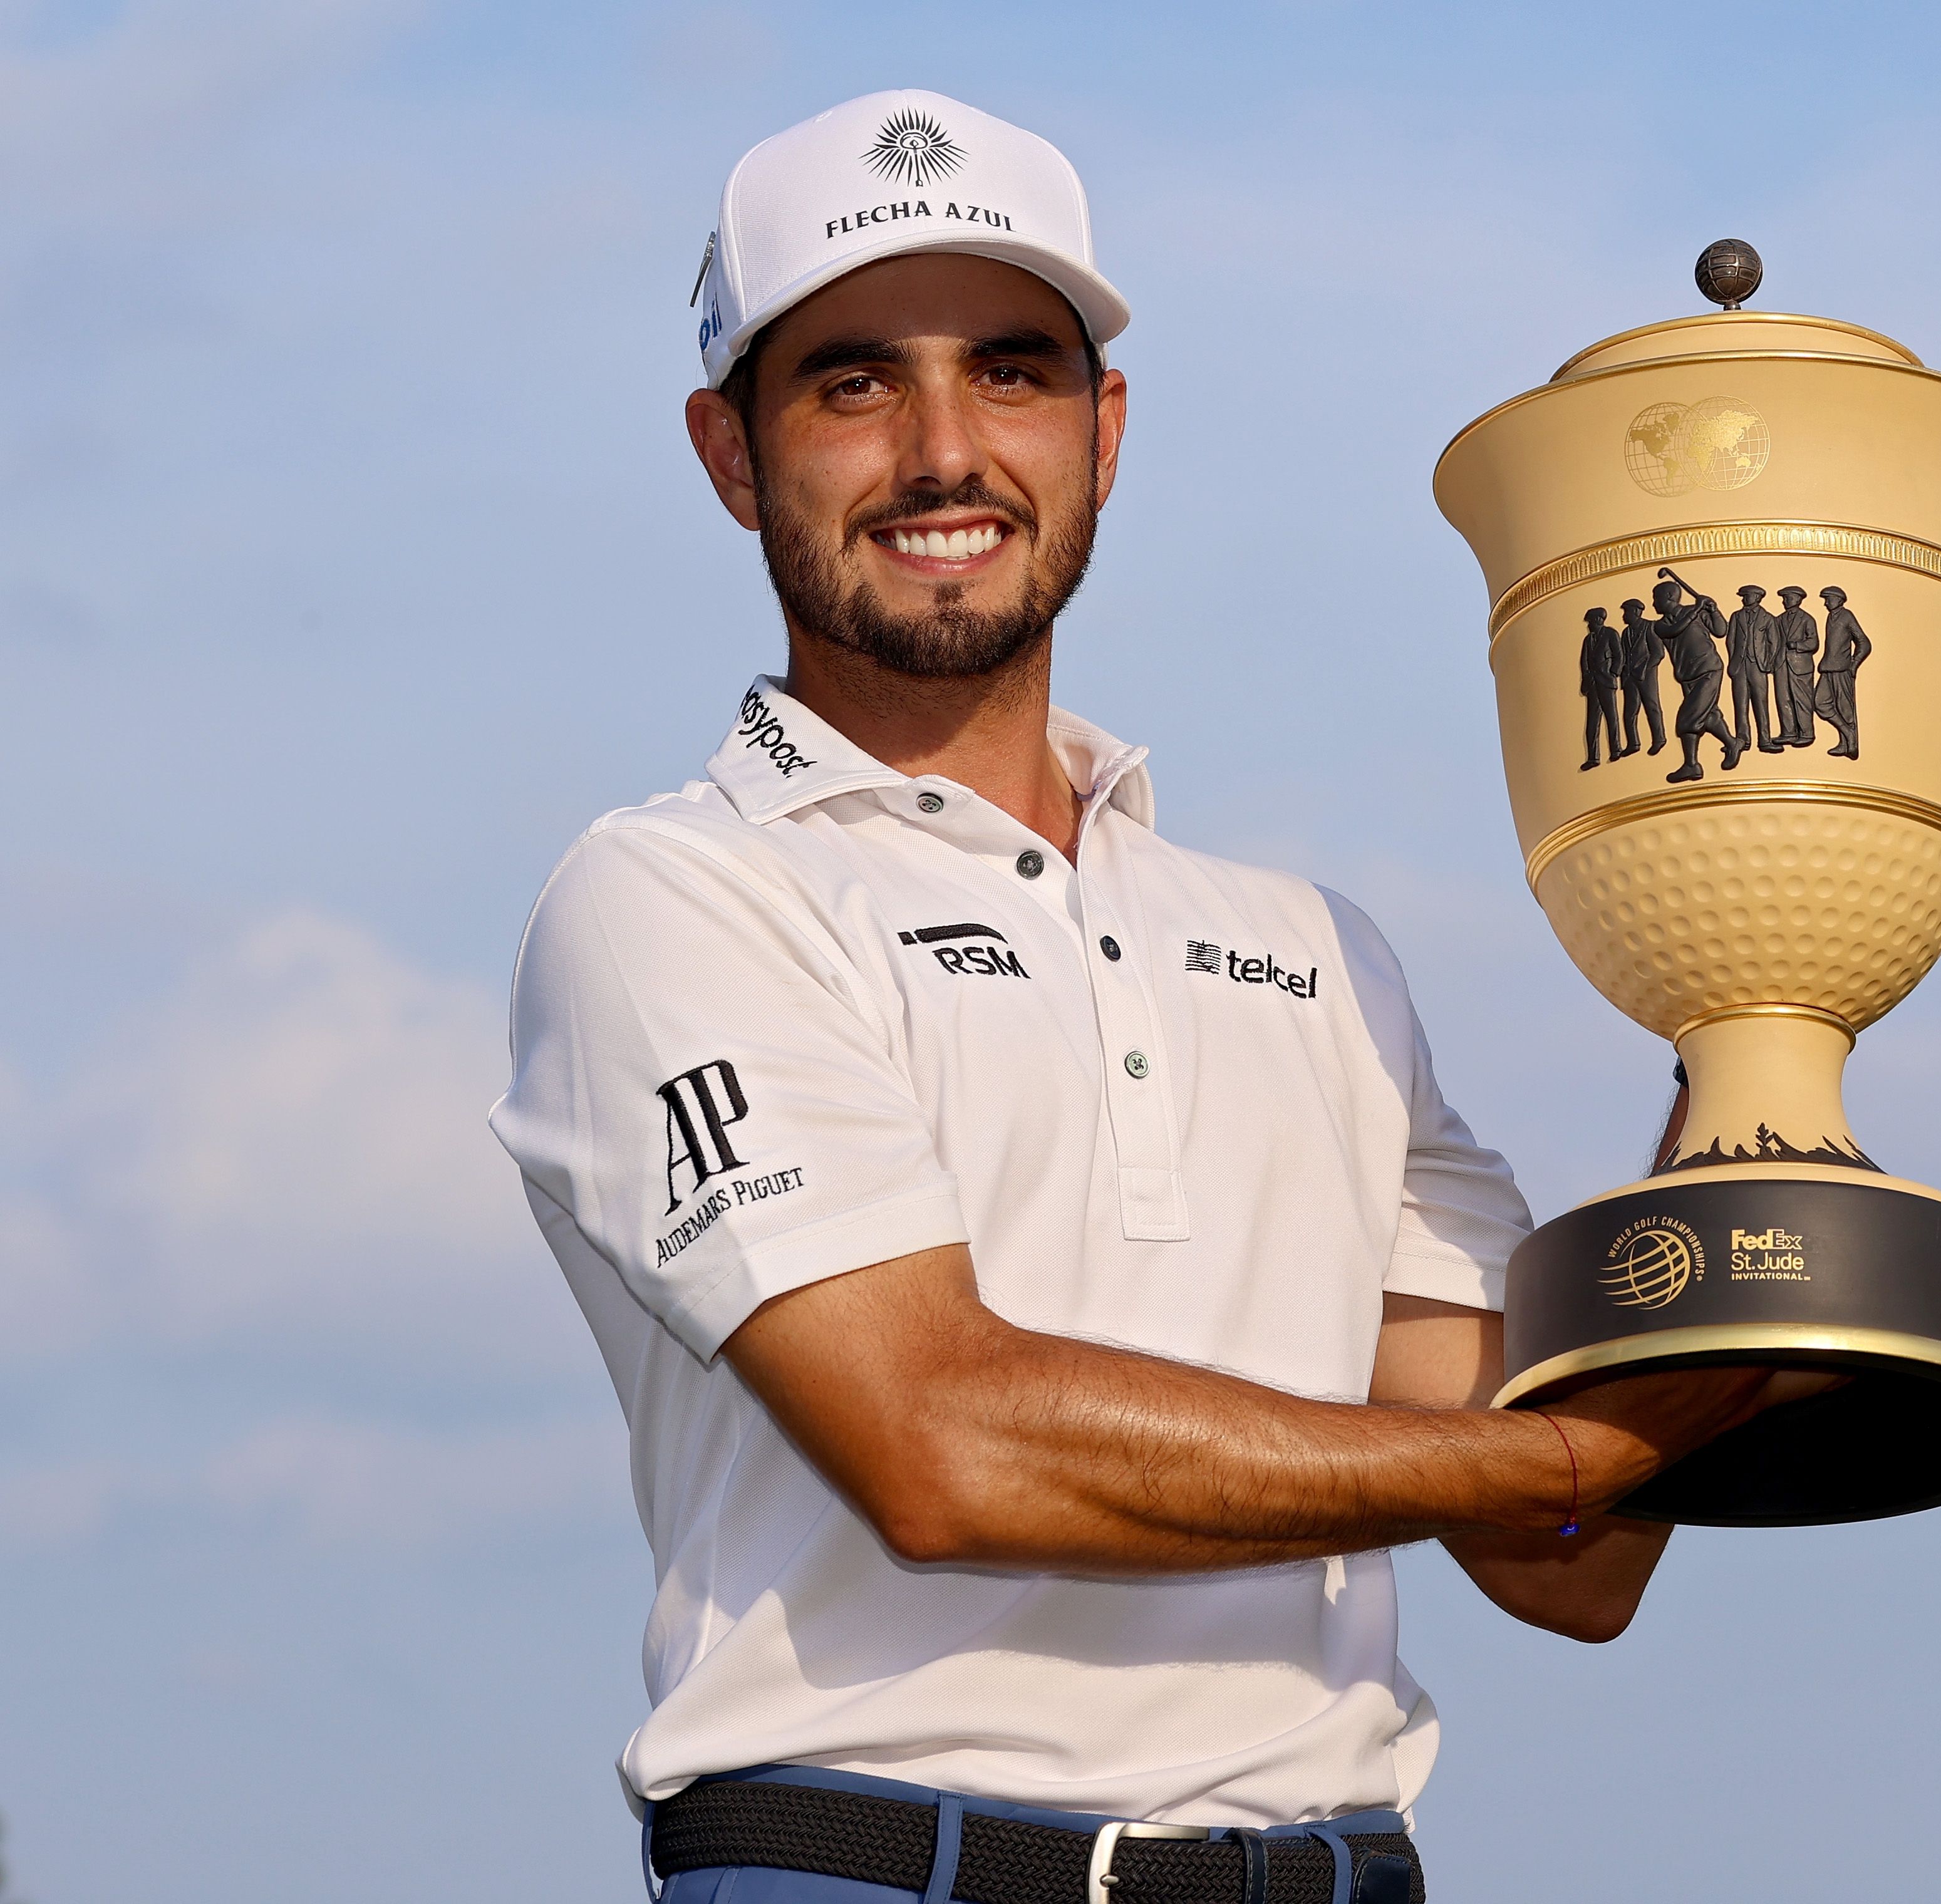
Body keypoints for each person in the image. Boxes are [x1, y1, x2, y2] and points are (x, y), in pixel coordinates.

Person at [489, 91, 1809, 1904]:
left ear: (1104, 430)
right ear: (733, 453)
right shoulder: (678, 891)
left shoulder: (1316, 947)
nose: (945, 452)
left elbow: (1571, 1553)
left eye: (1014, 372)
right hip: (875, 1873)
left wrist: (1754, 1019)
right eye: (856, 382)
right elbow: (939, 1441)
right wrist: (1531, 1463)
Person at [1654, 577, 1745, 784]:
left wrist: (1713, 609)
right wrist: (1697, 610)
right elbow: (1675, 629)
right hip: (1687, 676)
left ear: (1669, 597)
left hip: (1708, 670)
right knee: (1709, 715)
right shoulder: (1661, 625)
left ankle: (1691, 765)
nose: (1654, 603)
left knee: (1687, 718)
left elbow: (1721, 631)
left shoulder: (1695, 612)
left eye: (1656, 598)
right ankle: (1732, 743)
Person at [1816, 584, 1873, 758]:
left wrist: (1854, 664)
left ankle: (1850, 744)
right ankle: (1847, 735)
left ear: (1839, 600)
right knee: (1820, 703)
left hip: (1842, 670)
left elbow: (1864, 642)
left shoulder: (1846, 616)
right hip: (1828, 668)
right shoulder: (1831, 617)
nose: (1826, 603)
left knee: (1844, 708)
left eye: (1828, 599)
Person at [1724, 584, 1782, 753]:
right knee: (1740, 704)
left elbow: (1774, 643)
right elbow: (1731, 640)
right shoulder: (1736, 616)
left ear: (1756, 597)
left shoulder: (1768, 618)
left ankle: (1765, 740)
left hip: (1759, 667)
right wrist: (1733, 660)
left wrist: (1768, 662)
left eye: (1746, 596)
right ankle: (1742, 740)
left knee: (1761, 704)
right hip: (1739, 666)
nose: (1743, 599)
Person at [1616, 596, 1667, 755]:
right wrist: (1624, 675)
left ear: (1635, 612)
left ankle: (1659, 739)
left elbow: (1658, 653)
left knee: (1652, 707)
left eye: (1626, 612)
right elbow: (1624, 655)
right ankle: (1633, 743)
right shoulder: (1625, 633)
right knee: (1629, 712)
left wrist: (1644, 669)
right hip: (1630, 678)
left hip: (1646, 676)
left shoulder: (1649, 627)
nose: (1624, 616)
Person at [1773, 584, 1819, 747]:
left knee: (1802, 699)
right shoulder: (1778, 620)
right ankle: (1789, 732)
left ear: (1798, 599)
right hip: (1781, 665)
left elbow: (1814, 642)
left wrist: (1798, 645)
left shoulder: (1807, 619)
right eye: (1784, 598)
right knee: (1783, 698)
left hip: (1800, 666)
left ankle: (1807, 734)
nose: (1785, 601)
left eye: (1788, 598)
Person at [1578, 605, 1623, 768]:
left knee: (1612, 718)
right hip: (1593, 686)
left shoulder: (1610, 634)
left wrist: (1614, 673)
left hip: (1606, 682)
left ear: (1598, 620)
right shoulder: (1588, 640)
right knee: (1592, 723)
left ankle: (1616, 749)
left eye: (1590, 621)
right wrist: (1586, 679)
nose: (1589, 625)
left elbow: (1619, 655)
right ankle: (1593, 757)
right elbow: (1584, 662)